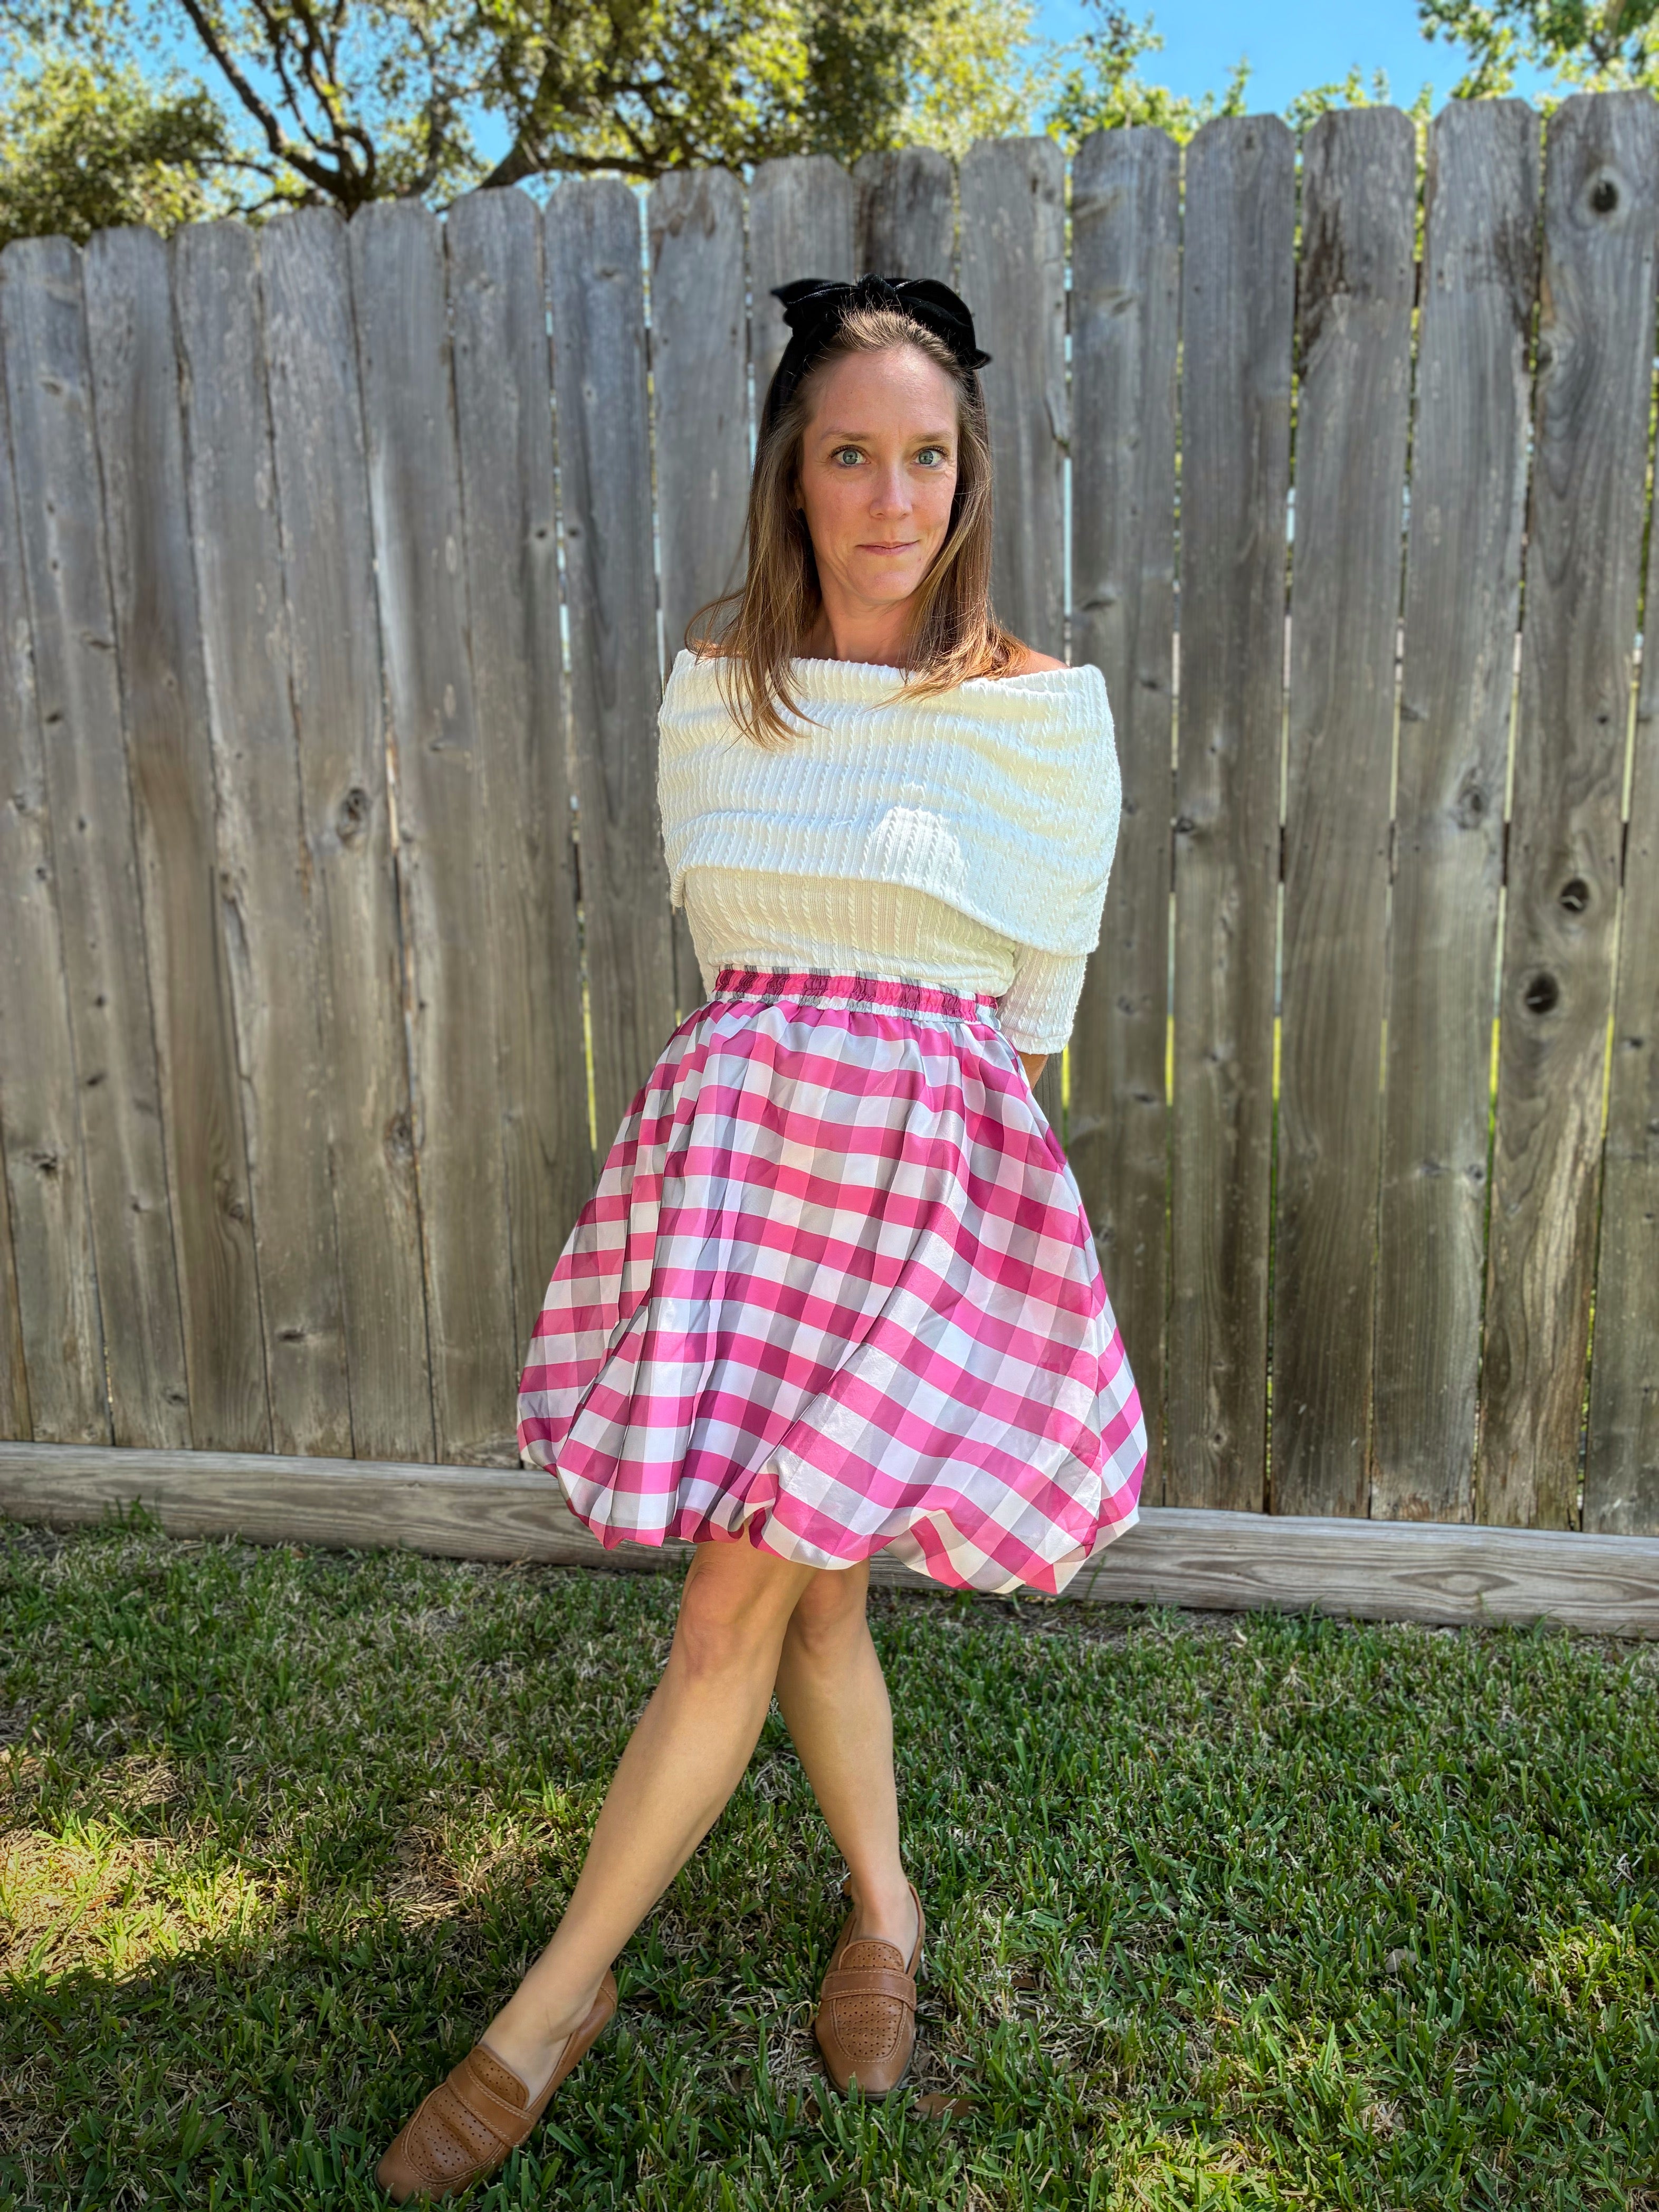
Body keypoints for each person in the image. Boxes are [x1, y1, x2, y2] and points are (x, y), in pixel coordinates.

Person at [375, 272, 1147, 2204]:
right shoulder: (717, 691)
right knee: (809, 1595)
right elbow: (732, 954)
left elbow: (1026, 1022)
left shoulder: (1048, 718)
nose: (893, 494)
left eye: (929, 455)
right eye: (851, 456)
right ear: (792, 480)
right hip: (746, 1179)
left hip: (923, 1197)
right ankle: (885, 1912)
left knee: (737, 1602)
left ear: (971, 476)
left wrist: (969, 1278)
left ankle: (551, 2004)